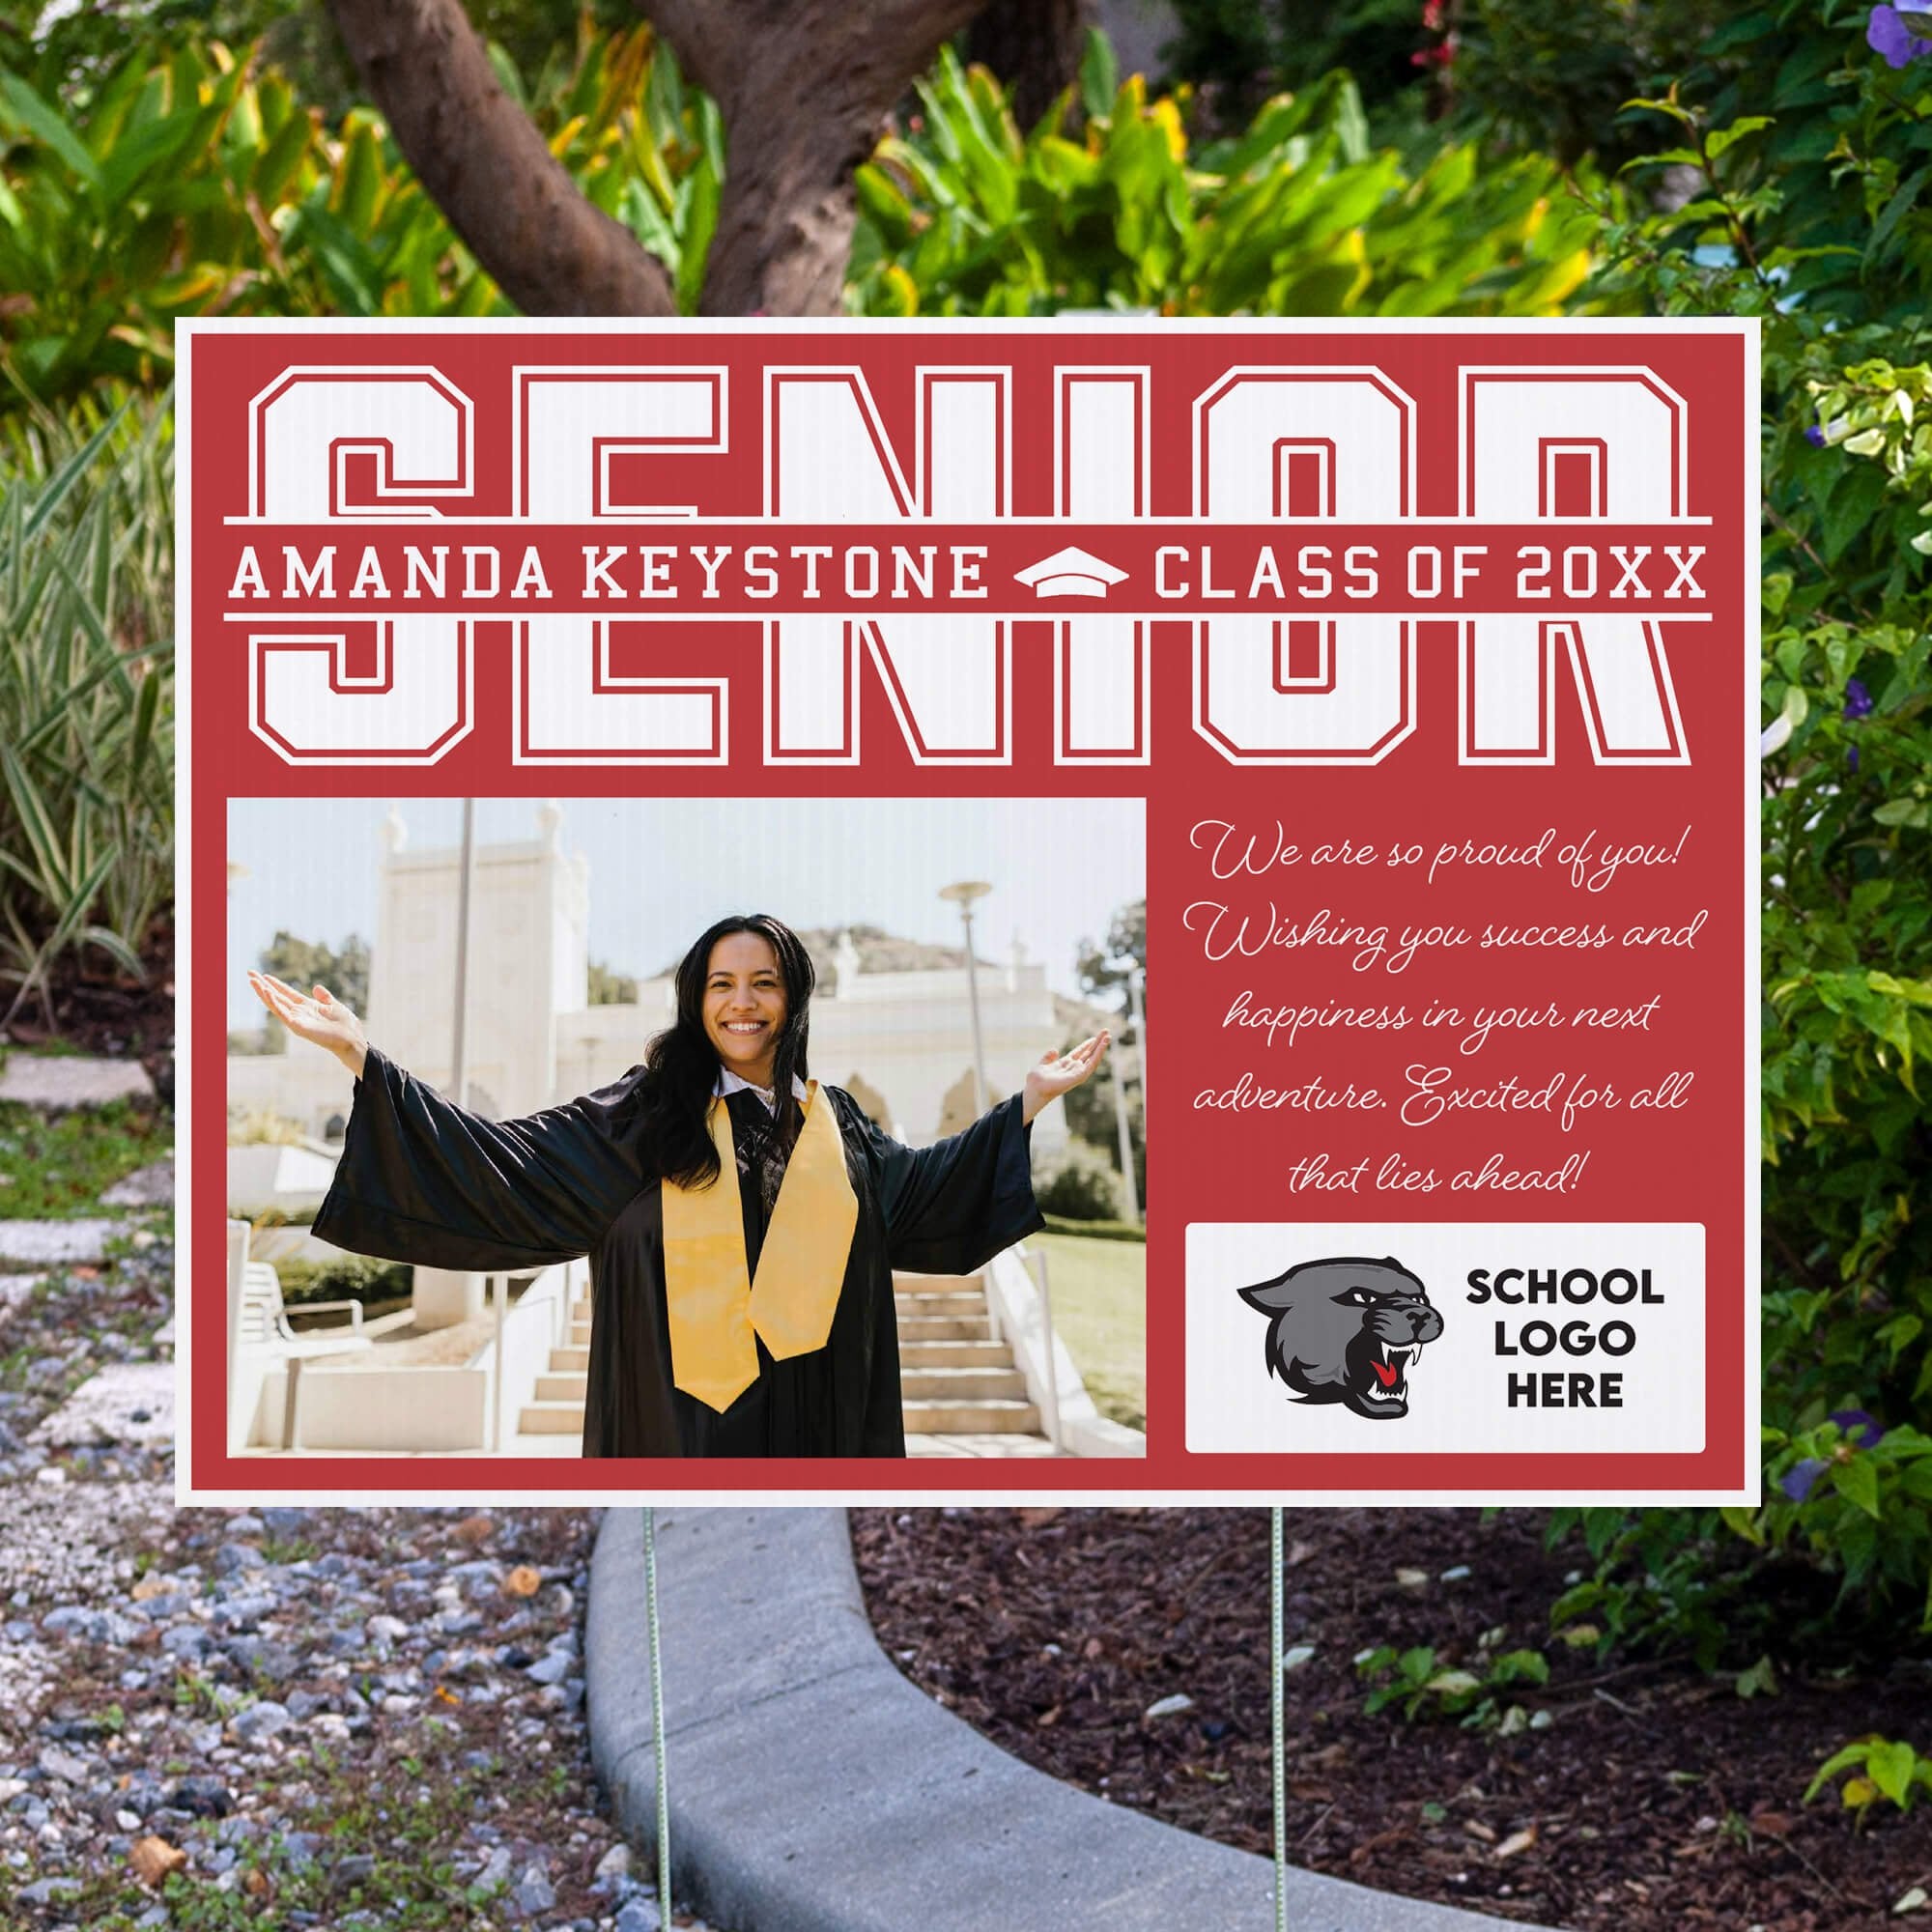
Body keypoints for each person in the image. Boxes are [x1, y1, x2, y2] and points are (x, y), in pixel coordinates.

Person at [246, 915, 1109, 1458]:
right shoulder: (643, 1113)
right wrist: (363, 1058)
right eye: (722, 985)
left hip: (820, 1427)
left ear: (794, 1000)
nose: (743, 1003)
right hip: (673, 1431)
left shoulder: (833, 1123)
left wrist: (1025, 1105)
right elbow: (499, 1159)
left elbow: (922, 1193)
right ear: (697, 1001)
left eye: (764, 983)